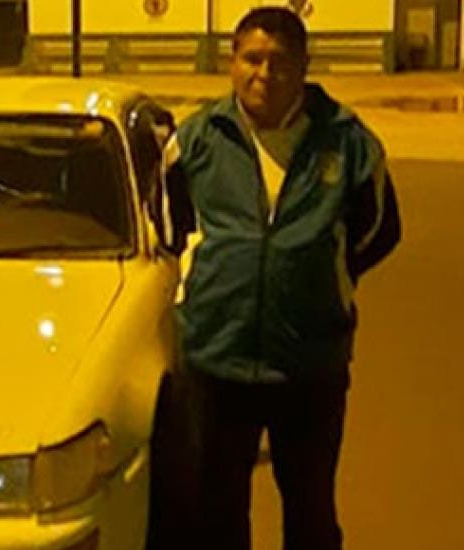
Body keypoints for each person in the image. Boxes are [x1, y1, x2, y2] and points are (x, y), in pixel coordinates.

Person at [161, 7, 401, 550]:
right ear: (232, 62)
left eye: (280, 62)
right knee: (217, 514)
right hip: (217, 358)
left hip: (309, 363)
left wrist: (319, 274)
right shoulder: (197, 139)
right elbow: (170, 226)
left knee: (311, 512)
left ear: (304, 67)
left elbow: (378, 230)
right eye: (252, 59)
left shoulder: (349, 142)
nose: (264, 74)